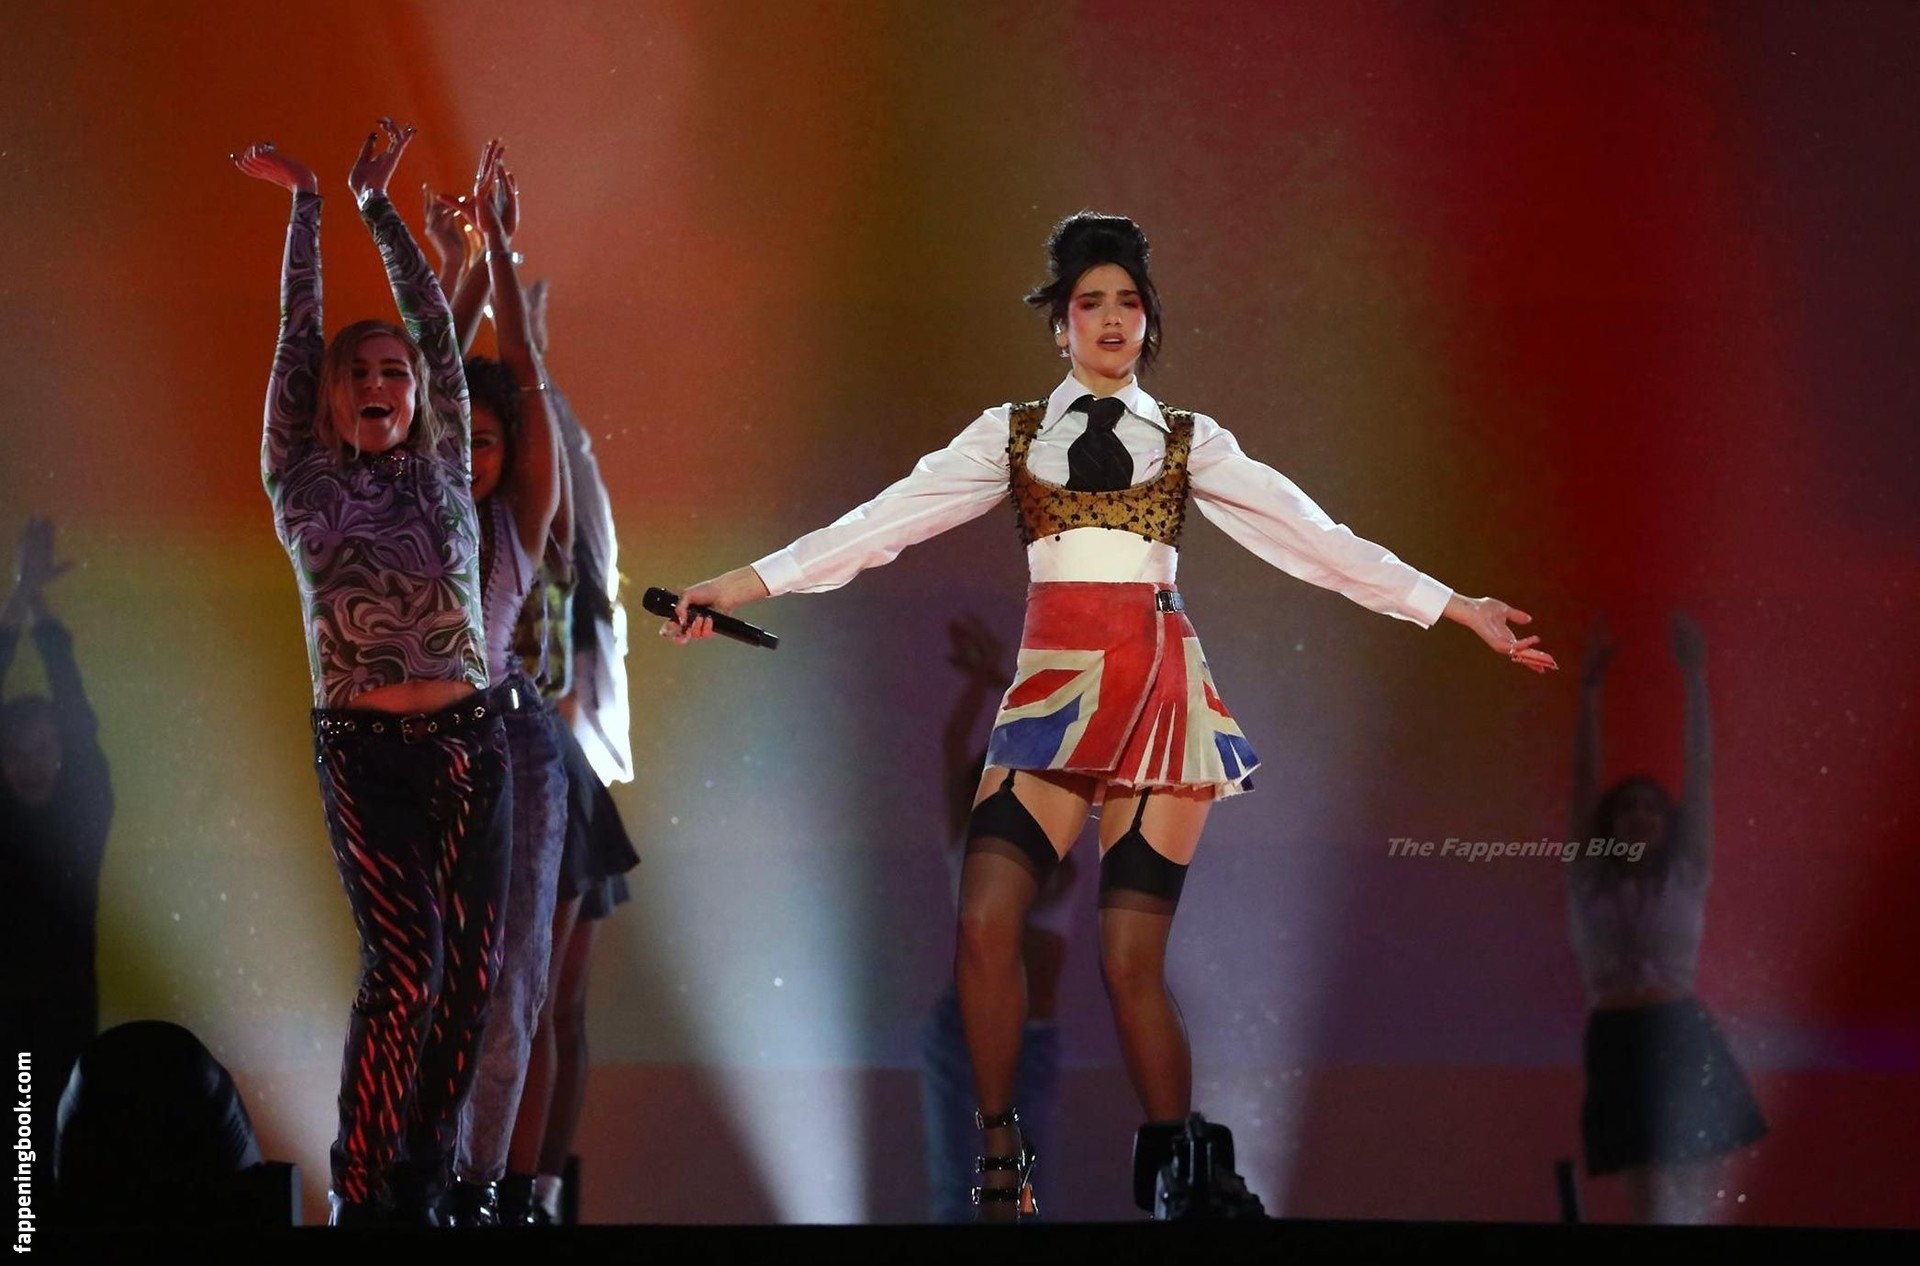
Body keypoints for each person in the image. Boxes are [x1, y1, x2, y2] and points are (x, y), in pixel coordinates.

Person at [664, 212, 1556, 1218]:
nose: (1112, 319)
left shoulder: (1188, 440)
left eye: (1129, 302)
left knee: (1129, 960)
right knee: (985, 922)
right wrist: (737, 586)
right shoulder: (1010, 435)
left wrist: (1454, 605)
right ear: (1061, 324)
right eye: (1091, 302)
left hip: (1158, 693)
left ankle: (1181, 1168)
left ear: (1149, 320)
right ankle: (1001, 1155)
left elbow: (1318, 539)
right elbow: (879, 524)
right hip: (1052, 695)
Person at [235, 120, 511, 1227]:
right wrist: (308, 205)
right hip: (366, 757)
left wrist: (377, 207)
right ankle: (361, 1189)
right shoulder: (300, 476)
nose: (381, 381)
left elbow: (438, 331)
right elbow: (298, 336)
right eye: (360, 373)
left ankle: (422, 1186)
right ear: (329, 397)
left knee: (472, 977)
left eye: (394, 371)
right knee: (407, 968)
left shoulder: (444, 458)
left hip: (471, 745)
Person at [443, 141, 572, 1227]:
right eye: (457, 439)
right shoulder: (408, 509)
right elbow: (420, 382)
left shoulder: (519, 520)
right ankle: (408, 1179)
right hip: (414, 751)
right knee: (421, 977)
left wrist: (499, 257)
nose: (470, 456)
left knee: (512, 981)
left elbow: (519, 388)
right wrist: (459, 272)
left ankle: (480, 1190)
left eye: (488, 442)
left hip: (514, 749)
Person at [1568, 611, 1767, 1223]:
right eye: (1628, 807)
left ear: (1667, 824)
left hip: (1678, 1026)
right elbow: (1584, 781)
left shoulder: (1686, 873)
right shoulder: (1591, 877)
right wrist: (1590, 691)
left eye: (1653, 808)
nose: (1640, 815)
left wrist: (1695, 679)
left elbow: (1700, 771)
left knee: (1698, 1177)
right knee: (1648, 1189)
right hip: (1618, 1032)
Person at [921, 615, 1085, 1222]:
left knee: (1028, 1198)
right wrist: (981, 682)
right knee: (956, 1190)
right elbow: (952, 747)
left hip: (1030, 1040)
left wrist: (1006, 682)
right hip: (963, 1030)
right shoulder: (967, 843)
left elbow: (1065, 747)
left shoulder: (1050, 843)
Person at [1, 516, 112, 1170]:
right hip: (9, 1027)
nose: (30, 762)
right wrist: (19, 601)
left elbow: (76, 714)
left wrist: (36, 607)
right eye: (16, 751)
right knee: (22, 1166)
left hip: (66, 1024)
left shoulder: (82, 813)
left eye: (42, 748)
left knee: (58, 1160)